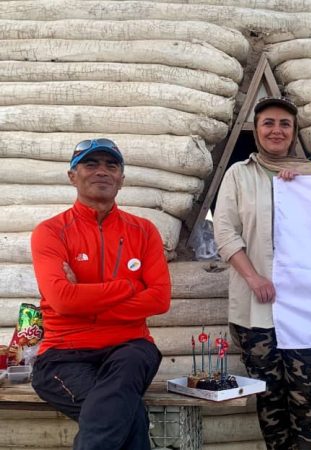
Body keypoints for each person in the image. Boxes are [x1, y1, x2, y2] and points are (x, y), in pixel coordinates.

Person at [30, 138, 171, 450]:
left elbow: (160, 299)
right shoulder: (51, 232)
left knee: (132, 362)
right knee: (129, 416)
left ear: (122, 179)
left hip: (129, 348)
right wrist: (129, 286)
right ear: (72, 176)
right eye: (91, 164)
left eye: (111, 165)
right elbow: (62, 300)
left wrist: (82, 298)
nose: (102, 171)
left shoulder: (144, 231)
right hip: (63, 355)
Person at [213, 97, 311, 450]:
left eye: (284, 124)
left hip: (304, 309)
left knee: (308, 395)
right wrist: (253, 277)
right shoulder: (238, 174)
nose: (277, 130)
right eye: (268, 123)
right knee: (270, 397)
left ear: (294, 131)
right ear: (256, 130)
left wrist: (304, 187)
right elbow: (224, 231)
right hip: (256, 309)